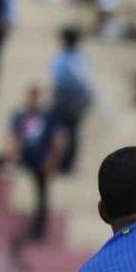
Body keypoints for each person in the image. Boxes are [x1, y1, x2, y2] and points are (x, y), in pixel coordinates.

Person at [0, 85, 66, 262]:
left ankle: (39, 228)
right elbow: (11, 136)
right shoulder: (19, 116)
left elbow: (58, 140)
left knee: (42, 193)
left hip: (39, 160)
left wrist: (53, 160)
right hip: (22, 156)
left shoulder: (47, 118)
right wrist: (11, 154)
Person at [50, 27, 94, 175]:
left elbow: (66, 82)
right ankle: (65, 163)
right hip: (75, 101)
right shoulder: (79, 58)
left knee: (64, 132)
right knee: (71, 133)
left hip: (67, 101)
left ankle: (63, 164)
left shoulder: (65, 60)